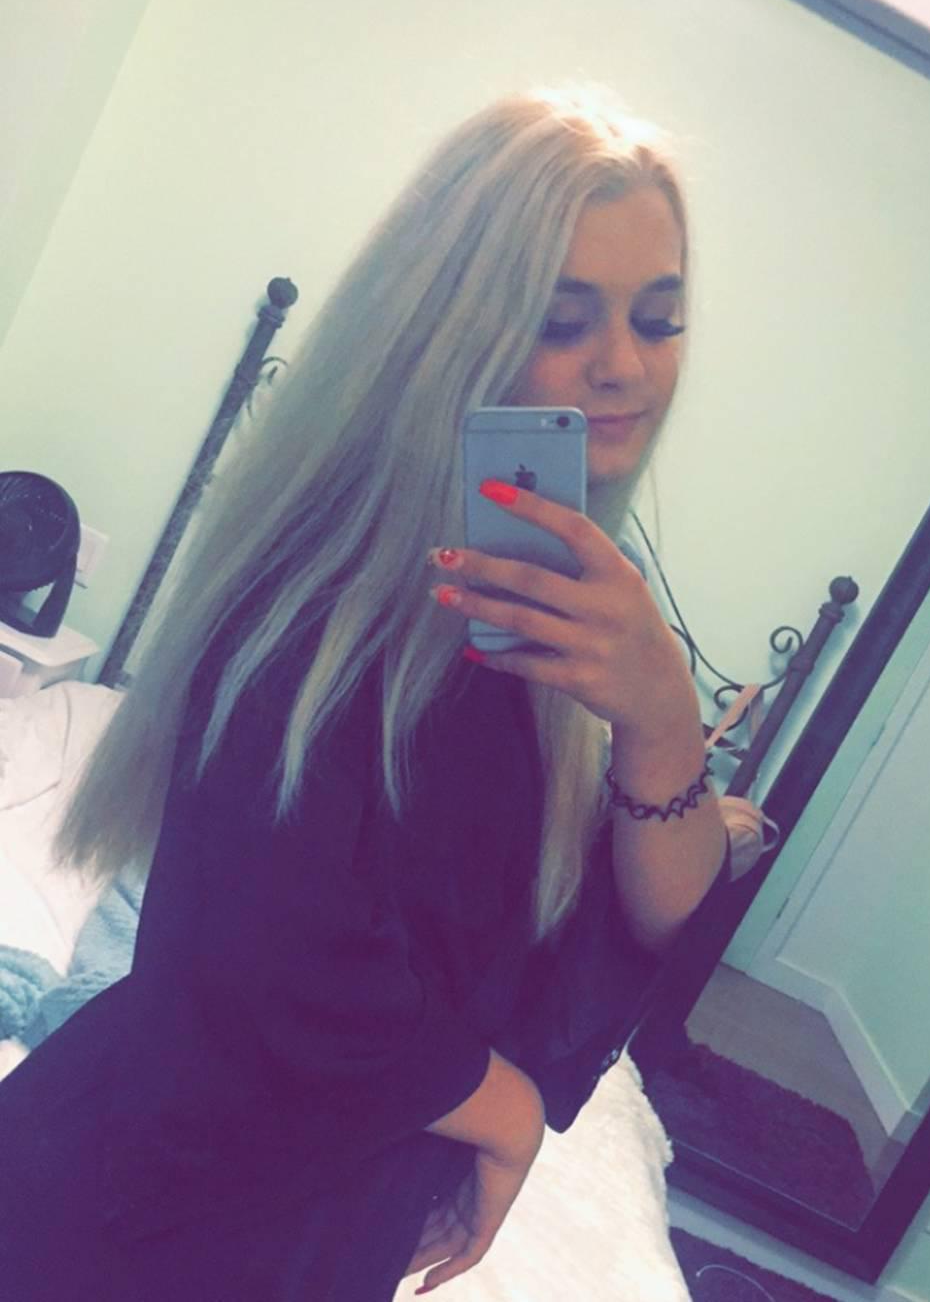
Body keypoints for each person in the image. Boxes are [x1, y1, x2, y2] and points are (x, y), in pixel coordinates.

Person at [0, 85, 729, 1300]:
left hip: (332, 1218)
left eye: (658, 319)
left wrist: (660, 723)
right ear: (449, 332)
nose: (622, 365)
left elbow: (635, 930)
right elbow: (266, 953)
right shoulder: (310, 591)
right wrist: (502, 1112)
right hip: (148, 1217)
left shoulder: (566, 617)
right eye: (563, 318)